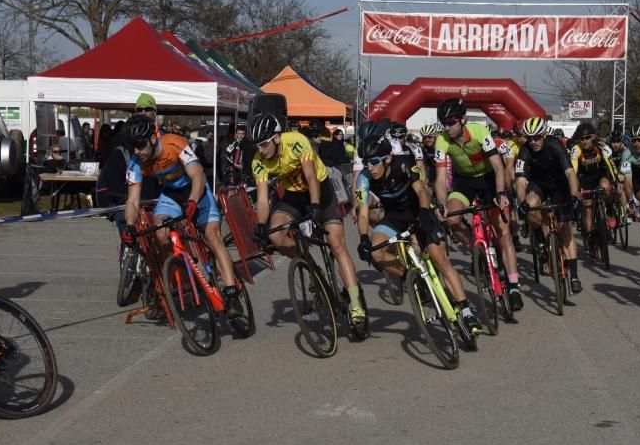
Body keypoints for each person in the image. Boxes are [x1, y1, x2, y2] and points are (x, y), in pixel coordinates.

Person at [120, 114, 246, 320]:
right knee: (160, 231)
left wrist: (194, 201)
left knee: (212, 236)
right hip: (171, 195)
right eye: (132, 146)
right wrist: (130, 226)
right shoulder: (136, 162)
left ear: (153, 138)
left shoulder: (174, 143)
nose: (136, 151)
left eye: (140, 145)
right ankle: (181, 271)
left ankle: (232, 294)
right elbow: (133, 201)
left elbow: (197, 174)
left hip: (196, 190)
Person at [248, 112, 368, 328]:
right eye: (257, 145)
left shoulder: (296, 141)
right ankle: (309, 264)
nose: (261, 149)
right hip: (294, 196)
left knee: (337, 244)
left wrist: (314, 206)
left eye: (264, 143)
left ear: (276, 137)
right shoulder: (259, 161)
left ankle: (356, 305)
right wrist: (259, 224)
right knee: (275, 235)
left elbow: (311, 176)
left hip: (321, 191)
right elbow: (263, 199)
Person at [354, 135, 481, 333]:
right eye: (365, 162)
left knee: (440, 260)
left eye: (374, 161)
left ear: (387, 158)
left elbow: (421, 190)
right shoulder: (364, 178)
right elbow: (362, 213)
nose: (369, 167)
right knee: (375, 252)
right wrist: (363, 239)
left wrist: (423, 213)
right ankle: (412, 278)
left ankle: (466, 311)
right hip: (394, 217)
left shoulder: (403, 163)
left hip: (418, 211)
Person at [432, 98, 523, 311]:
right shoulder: (442, 140)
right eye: (443, 122)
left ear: (462, 120)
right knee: (451, 219)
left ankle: (513, 285)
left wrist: (501, 193)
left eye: (450, 122)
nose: (446, 127)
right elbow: (439, 177)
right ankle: (478, 250)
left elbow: (498, 167)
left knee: (503, 230)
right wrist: (442, 203)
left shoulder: (480, 132)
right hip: (464, 182)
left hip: (488, 179)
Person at [514, 117, 583, 294]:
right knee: (530, 205)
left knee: (565, 229)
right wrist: (522, 203)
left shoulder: (555, 145)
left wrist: (575, 195)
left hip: (559, 185)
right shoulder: (525, 151)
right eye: (529, 138)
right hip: (539, 185)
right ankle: (539, 239)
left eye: (536, 137)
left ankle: (574, 275)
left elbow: (570, 173)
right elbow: (521, 182)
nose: (533, 141)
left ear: (544, 135)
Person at [569, 122, 620, 258]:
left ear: (592, 137)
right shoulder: (576, 149)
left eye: (587, 137)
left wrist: (615, 180)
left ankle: (609, 210)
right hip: (585, 178)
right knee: (588, 209)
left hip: (600, 175)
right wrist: (574, 188)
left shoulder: (602, 146)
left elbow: (611, 164)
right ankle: (591, 239)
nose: (584, 141)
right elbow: (573, 170)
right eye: (582, 138)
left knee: (606, 188)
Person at [619, 123, 640, 250]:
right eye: (634, 140)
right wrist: (630, 200)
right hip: (638, 178)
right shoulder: (627, 154)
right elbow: (627, 181)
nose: (636, 143)